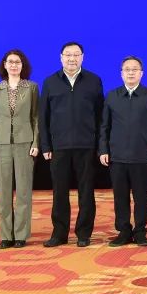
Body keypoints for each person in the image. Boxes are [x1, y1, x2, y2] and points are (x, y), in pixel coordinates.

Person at [39, 42, 104, 248]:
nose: (72, 59)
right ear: (61, 57)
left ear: (83, 57)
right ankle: (59, 233)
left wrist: (100, 146)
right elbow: (43, 117)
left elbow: (101, 116)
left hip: (87, 146)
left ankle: (84, 233)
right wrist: (46, 146)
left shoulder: (94, 81)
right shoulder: (50, 82)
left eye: (76, 55)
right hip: (59, 147)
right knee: (59, 192)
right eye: (68, 55)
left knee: (86, 192)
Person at [99, 56, 147, 246]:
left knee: (141, 196)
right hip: (117, 156)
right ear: (121, 74)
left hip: (142, 156)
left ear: (142, 73)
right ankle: (124, 231)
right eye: (127, 69)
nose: (131, 73)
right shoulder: (112, 96)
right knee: (120, 197)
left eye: (135, 69)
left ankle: (140, 231)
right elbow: (104, 126)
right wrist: (103, 149)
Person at [0, 49, 40, 249]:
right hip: (0, 144)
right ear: (5, 65)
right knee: (4, 192)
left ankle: (21, 235)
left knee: (24, 191)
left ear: (23, 65)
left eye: (18, 62)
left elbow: (36, 118)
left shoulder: (32, 87)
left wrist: (36, 143)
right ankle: (6, 235)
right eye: (10, 62)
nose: (14, 65)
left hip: (25, 143)